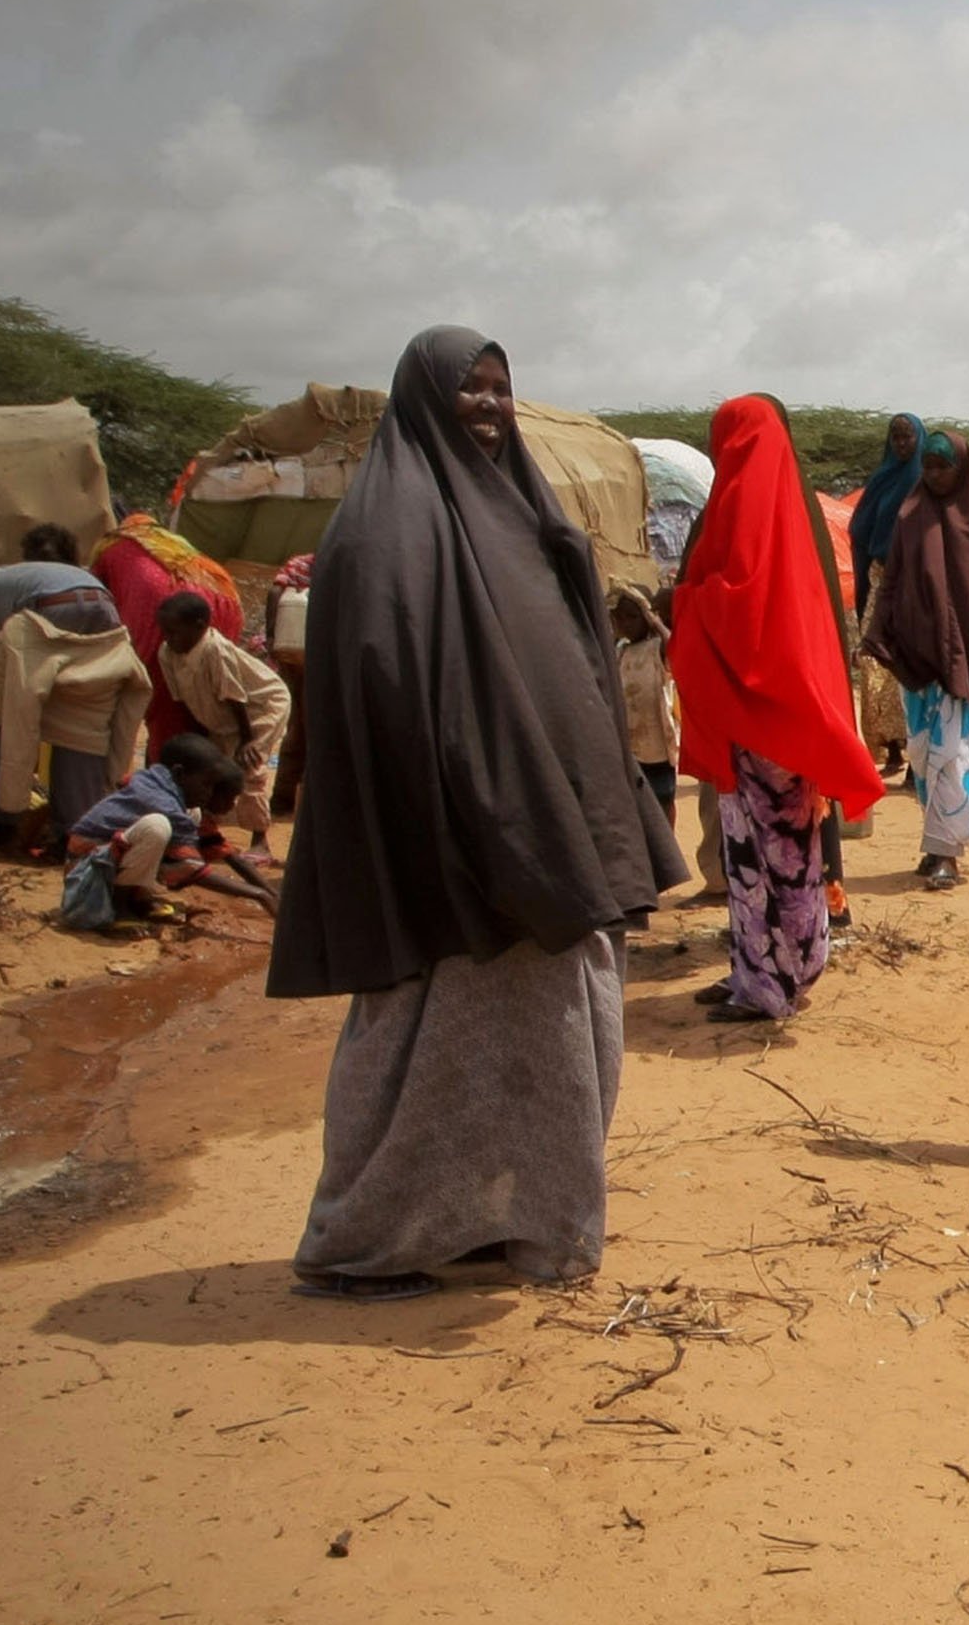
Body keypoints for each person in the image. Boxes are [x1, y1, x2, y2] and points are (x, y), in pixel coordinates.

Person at [270, 325, 689, 1304]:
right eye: (470, 392)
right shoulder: (384, 532)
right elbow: (384, 698)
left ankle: (514, 1222)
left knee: (557, 1039)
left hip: (554, 831)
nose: (491, 408)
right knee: (430, 1054)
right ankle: (368, 1241)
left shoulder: (526, 518)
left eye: (501, 390)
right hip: (454, 850)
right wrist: (480, 815)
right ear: (425, 401)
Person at [668, 395, 887, 1024]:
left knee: (769, 853)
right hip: (781, 712)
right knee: (769, 847)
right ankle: (758, 968)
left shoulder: (745, 509)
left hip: (763, 712)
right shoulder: (788, 509)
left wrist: (688, 602)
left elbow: (740, 607)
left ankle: (773, 983)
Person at [867, 428, 969, 890]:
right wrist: (878, 632)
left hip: (966, 657)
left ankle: (945, 851)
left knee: (953, 753)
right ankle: (936, 841)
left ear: (962, 468)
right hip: (918, 653)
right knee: (924, 754)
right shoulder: (910, 514)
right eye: (928, 466)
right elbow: (892, 577)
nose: (934, 474)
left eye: (943, 465)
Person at [0, 561, 147, 852]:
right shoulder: (6, 582)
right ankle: (73, 833)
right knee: (84, 714)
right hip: (104, 617)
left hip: (49, 614)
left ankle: (1, 824)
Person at [62, 734, 275, 917]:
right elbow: (191, 869)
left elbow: (226, 853)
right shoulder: (163, 805)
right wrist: (258, 894)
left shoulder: (158, 785)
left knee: (187, 818)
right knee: (157, 828)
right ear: (180, 774)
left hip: (99, 862)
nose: (208, 793)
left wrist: (271, 893)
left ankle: (135, 898)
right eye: (206, 784)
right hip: (86, 877)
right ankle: (120, 909)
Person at [92, 512, 244, 757]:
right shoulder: (169, 542)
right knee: (209, 704)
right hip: (222, 605)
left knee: (165, 712)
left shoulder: (109, 547)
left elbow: (97, 611)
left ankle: (165, 777)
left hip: (164, 614)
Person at [149, 589, 292, 847]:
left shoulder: (215, 649)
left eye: (175, 632)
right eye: (165, 632)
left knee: (249, 768)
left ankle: (259, 840)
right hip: (223, 717)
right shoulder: (167, 654)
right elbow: (183, 701)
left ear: (199, 627)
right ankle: (206, 830)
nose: (169, 638)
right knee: (211, 765)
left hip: (260, 707)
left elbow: (235, 696)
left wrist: (248, 740)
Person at [847, 413, 924, 781]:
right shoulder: (882, 480)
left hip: (916, 582)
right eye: (896, 437)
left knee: (913, 662)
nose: (902, 444)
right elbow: (860, 527)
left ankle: (917, 756)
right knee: (876, 662)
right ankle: (891, 748)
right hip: (881, 577)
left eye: (908, 437)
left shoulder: (926, 480)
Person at [609, 588, 680, 819]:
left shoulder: (656, 647)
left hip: (658, 748)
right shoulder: (620, 651)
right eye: (620, 618)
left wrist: (655, 621)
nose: (625, 623)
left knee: (663, 799)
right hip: (632, 746)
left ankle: (668, 845)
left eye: (632, 617)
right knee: (639, 806)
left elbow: (675, 647)